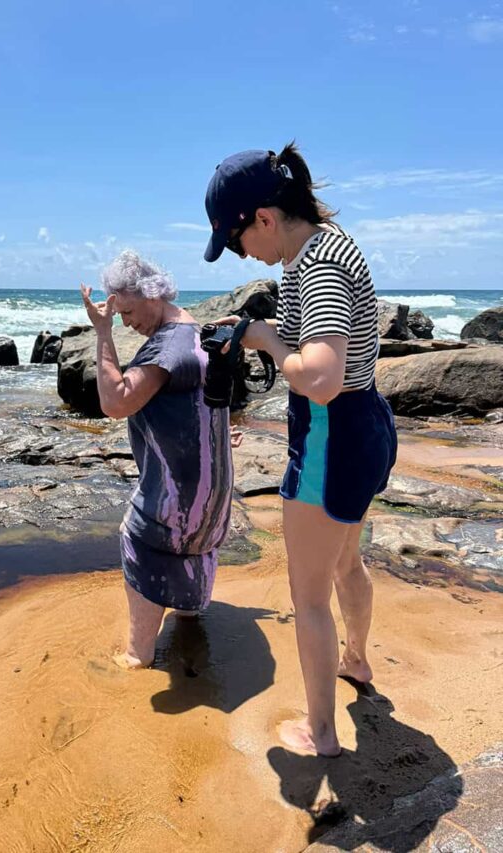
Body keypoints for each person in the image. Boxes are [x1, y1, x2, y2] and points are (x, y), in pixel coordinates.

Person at [203, 144, 397, 756]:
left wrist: (265, 340)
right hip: (365, 426)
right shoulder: (329, 245)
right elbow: (324, 347)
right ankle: (356, 659)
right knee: (346, 562)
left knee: (308, 595)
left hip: (331, 436)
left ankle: (321, 732)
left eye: (237, 242)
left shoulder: (319, 265)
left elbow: (320, 376)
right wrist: (259, 332)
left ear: (263, 218)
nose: (242, 256)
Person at [81, 250, 233, 669]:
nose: (126, 322)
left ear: (153, 294)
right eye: (118, 317)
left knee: (139, 537)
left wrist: (102, 333)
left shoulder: (167, 348)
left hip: (178, 499)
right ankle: (188, 614)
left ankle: (137, 654)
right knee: (194, 547)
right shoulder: (198, 332)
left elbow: (116, 402)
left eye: (127, 312)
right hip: (212, 494)